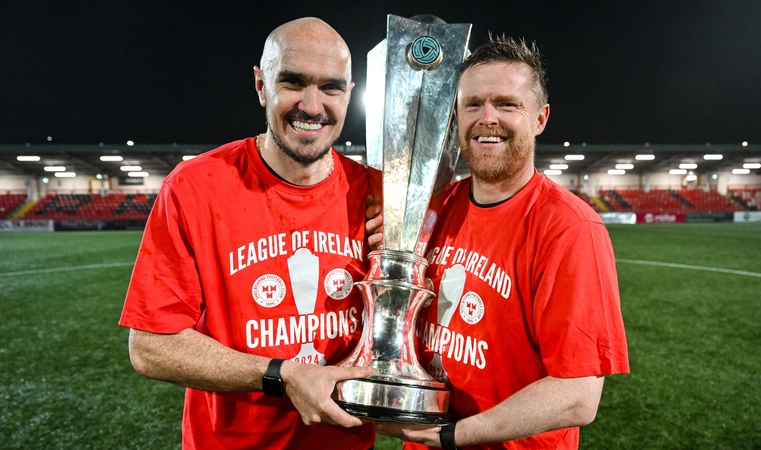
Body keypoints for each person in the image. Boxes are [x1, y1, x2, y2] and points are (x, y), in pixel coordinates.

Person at [119, 17, 379, 449]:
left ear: (349, 94)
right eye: (293, 82)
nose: (313, 106)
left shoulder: (376, 193)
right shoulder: (195, 186)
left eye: (331, 88)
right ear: (261, 85)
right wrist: (282, 374)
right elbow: (149, 346)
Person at [372, 35, 630, 449]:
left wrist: (451, 436)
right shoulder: (431, 210)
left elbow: (577, 397)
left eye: (507, 104)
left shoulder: (569, 228)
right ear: (455, 116)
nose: (487, 117)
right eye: (472, 104)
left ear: (540, 117)